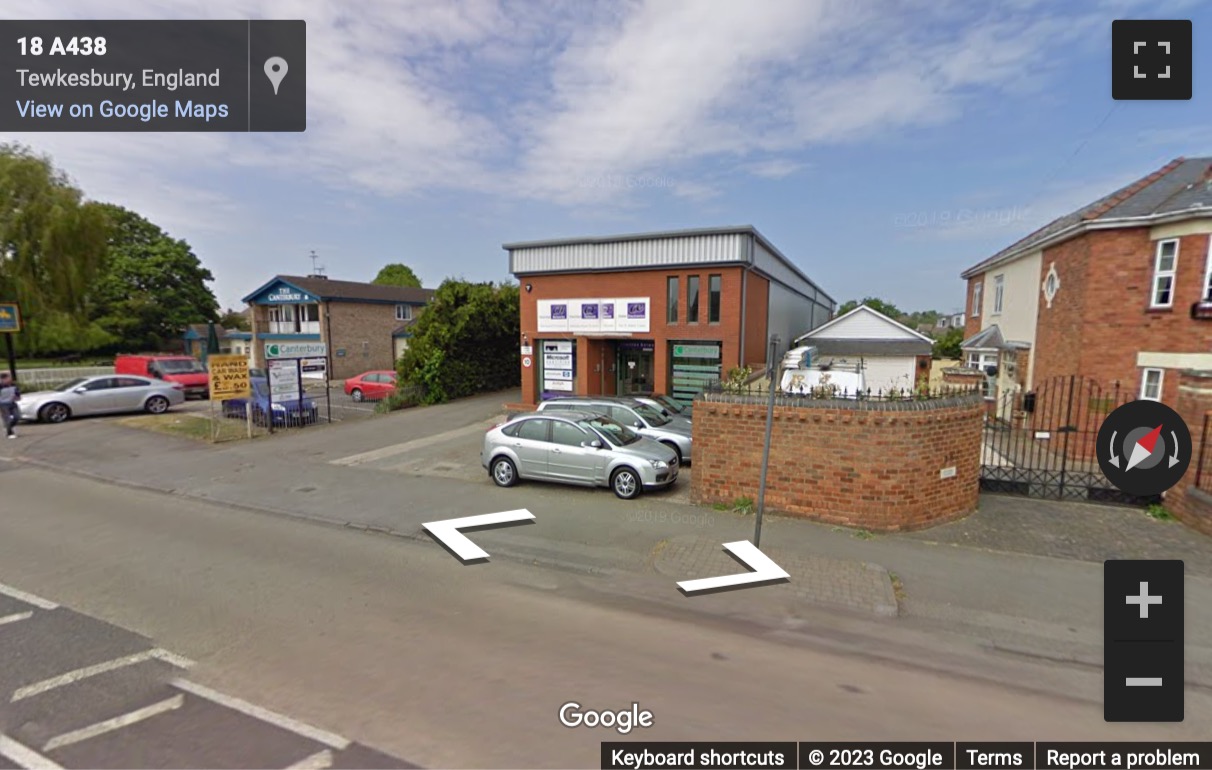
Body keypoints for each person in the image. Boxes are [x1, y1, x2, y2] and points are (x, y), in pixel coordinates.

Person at [0, 372, 20, 438]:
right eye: (8, 378)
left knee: (17, 416)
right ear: (3, 379)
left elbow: (17, 393)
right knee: (7, 419)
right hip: (3, 404)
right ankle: (10, 433)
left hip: (12, 403)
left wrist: (17, 397)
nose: (10, 379)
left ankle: (8, 427)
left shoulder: (13, 385)